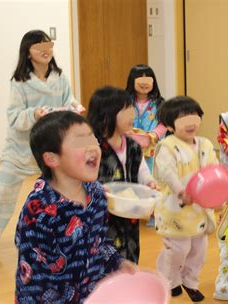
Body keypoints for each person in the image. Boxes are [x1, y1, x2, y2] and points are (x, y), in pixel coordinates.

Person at [15, 111, 135, 303]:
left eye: (94, 139)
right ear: (52, 159)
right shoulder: (40, 211)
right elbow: (36, 278)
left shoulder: (96, 193)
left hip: (91, 294)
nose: (94, 148)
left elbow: (100, 240)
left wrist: (117, 262)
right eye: (80, 143)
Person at [0, 30, 80, 252]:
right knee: (2, 193)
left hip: (49, 148)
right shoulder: (20, 82)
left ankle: (59, 235)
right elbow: (14, 117)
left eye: (48, 46)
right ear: (28, 53)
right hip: (19, 149)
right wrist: (34, 114)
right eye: (39, 47)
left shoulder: (60, 79)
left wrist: (75, 108)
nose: (45, 51)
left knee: (60, 193)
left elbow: (70, 102)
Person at [153, 96, 217, 302]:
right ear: (170, 125)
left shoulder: (206, 144)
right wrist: (181, 191)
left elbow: (214, 170)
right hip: (176, 208)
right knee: (178, 249)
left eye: (194, 116)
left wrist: (220, 191)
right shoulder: (167, 146)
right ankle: (169, 280)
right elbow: (167, 172)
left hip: (200, 208)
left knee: (199, 250)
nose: (190, 122)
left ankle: (190, 282)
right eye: (182, 118)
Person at [87, 86, 157, 264]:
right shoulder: (94, 147)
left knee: (130, 250)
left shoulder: (132, 145)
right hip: (103, 216)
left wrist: (149, 182)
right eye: (126, 110)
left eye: (132, 108)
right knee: (107, 255)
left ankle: (128, 280)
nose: (132, 114)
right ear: (106, 115)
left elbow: (141, 169)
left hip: (129, 212)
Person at [125, 64, 167, 170]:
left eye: (147, 79)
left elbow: (164, 123)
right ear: (132, 81)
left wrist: (154, 135)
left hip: (153, 147)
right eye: (140, 79)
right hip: (129, 144)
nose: (144, 83)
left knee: (151, 176)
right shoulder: (125, 102)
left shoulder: (159, 103)